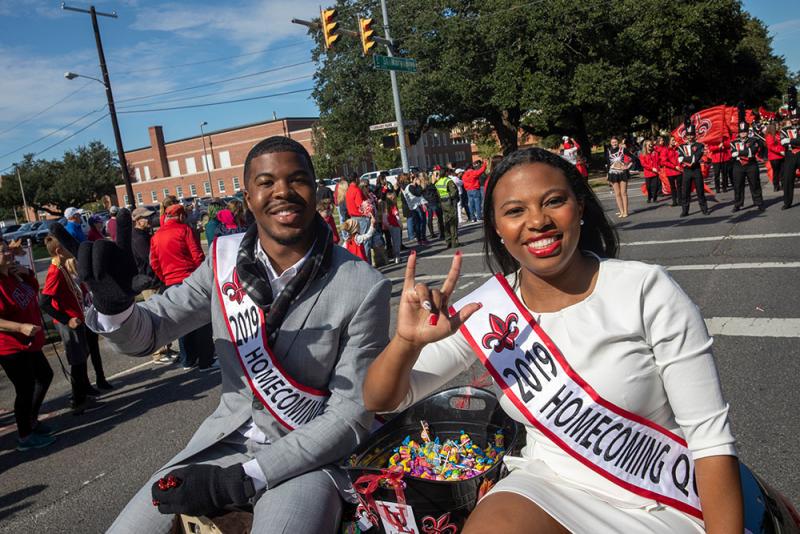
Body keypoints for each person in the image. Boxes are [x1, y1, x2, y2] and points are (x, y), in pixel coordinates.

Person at [363, 147, 743, 534]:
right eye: (515, 211)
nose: (537, 221)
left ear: (579, 207)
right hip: (547, 486)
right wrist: (406, 342)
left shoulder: (645, 289)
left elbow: (710, 441)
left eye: (554, 202)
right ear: (496, 226)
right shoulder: (486, 309)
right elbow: (382, 399)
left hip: (658, 498)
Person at [79, 136, 391, 533]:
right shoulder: (221, 259)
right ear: (247, 197)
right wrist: (116, 306)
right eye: (266, 182)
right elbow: (149, 333)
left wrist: (248, 478)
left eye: (297, 180)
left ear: (317, 190)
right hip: (222, 444)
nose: (282, 191)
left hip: (308, 460)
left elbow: (350, 416)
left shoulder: (363, 285)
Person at [0, 239, 55, 450]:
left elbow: (32, 290)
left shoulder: (13, 274)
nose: (7, 253)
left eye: (7, 249)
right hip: (11, 346)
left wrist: (26, 272)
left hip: (30, 342)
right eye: (2, 251)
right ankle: (24, 436)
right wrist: (19, 327)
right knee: (24, 388)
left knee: (44, 376)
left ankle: (31, 420)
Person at [149, 203, 215, 371]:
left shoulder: (156, 236)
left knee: (182, 322)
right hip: (190, 279)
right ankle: (206, 360)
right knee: (202, 319)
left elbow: (154, 262)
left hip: (171, 282)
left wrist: (166, 277)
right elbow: (197, 255)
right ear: (180, 216)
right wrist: (203, 276)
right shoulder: (184, 230)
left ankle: (188, 359)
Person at [39, 231, 96, 414]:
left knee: (82, 356)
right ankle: (78, 401)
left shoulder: (62, 267)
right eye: (66, 246)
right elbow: (44, 301)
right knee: (77, 360)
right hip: (68, 322)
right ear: (59, 251)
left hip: (77, 317)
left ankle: (84, 391)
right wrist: (66, 319)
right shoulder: (54, 272)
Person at [131, 206, 174, 365]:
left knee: (161, 315)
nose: (149, 220)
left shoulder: (144, 235)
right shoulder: (138, 238)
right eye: (146, 218)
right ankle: (158, 352)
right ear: (137, 220)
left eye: (149, 217)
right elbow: (150, 258)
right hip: (149, 281)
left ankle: (166, 348)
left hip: (154, 280)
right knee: (155, 316)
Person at [730, 121, 766, 213]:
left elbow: (752, 152)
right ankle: (737, 204)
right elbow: (732, 154)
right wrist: (745, 152)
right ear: (739, 132)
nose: (743, 133)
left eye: (745, 131)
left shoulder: (754, 140)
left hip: (751, 164)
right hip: (738, 166)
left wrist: (738, 153)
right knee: (738, 186)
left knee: (755, 184)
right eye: (741, 132)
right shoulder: (733, 142)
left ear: (747, 132)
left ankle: (759, 203)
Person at [677, 125, 709, 217]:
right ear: (685, 135)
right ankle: (685, 211)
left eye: (692, 134)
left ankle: (704, 209)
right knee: (685, 192)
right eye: (688, 134)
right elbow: (679, 159)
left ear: (695, 135)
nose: (690, 136)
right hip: (686, 171)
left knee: (700, 191)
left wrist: (686, 158)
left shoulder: (700, 145)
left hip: (696, 170)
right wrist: (689, 158)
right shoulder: (681, 146)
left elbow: (696, 158)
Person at [434, 167, 461, 248]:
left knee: (447, 222)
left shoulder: (438, 182)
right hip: (450, 203)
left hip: (443, 203)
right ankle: (454, 241)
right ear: (445, 173)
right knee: (453, 222)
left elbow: (438, 194)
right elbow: (454, 193)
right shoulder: (448, 181)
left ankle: (448, 240)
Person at [605, 137, 631, 218]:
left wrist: (627, 166)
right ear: (610, 143)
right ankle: (621, 211)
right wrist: (607, 174)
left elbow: (633, 158)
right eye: (613, 142)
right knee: (617, 194)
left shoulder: (623, 150)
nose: (614, 143)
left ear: (618, 142)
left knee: (623, 193)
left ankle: (626, 211)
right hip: (612, 174)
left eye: (615, 142)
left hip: (622, 173)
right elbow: (608, 164)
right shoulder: (608, 151)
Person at [780, 111, 800, 210]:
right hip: (790, 156)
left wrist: (790, 141)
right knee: (787, 179)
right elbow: (783, 142)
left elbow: (787, 142)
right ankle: (787, 202)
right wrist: (796, 141)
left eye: (796, 117)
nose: (795, 119)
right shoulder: (784, 130)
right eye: (793, 118)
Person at [659, 137, 683, 207]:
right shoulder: (665, 150)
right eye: (672, 140)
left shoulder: (678, 148)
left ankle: (680, 200)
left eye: (674, 140)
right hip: (671, 171)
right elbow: (664, 162)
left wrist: (680, 167)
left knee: (679, 186)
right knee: (673, 187)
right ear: (669, 142)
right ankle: (674, 201)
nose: (674, 141)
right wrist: (674, 166)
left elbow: (681, 158)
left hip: (679, 170)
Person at [422, 171, 444, 240]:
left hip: (429, 202)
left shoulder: (422, 185)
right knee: (439, 217)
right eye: (435, 174)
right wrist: (436, 181)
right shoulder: (429, 184)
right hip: (433, 202)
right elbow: (434, 188)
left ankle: (432, 233)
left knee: (430, 218)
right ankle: (441, 233)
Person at [383, 191, 403, 264]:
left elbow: (384, 217)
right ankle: (397, 256)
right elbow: (397, 216)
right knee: (397, 242)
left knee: (393, 241)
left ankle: (396, 256)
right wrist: (400, 224)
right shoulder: (393, 206)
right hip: (395, 225)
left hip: (390, 225)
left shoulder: (385, 207)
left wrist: (387, 225)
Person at [765, 122, 784, 193]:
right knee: (776, 172)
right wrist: (780, 151)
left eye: (778, 125)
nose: (778, 127)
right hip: (774, 157)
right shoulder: (769, 135)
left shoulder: (778, 134)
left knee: (783, 172)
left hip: (782, 155)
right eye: (776, 126)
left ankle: (783, 185)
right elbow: (771, 146)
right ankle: (776, 186)